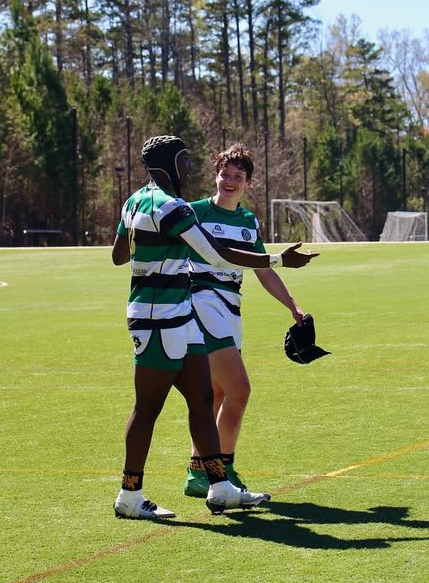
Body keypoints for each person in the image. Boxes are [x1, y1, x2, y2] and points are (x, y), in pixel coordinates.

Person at [111, 135, 317, 520]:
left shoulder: (135, 201)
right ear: (170, 164)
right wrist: (277, 259)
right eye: (186, 161)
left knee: (204, 397)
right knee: (149, 407)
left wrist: (155, 244)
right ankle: (129, 494)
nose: (191, 169)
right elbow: (215, 254)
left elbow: (118, 255)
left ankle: (218, 486)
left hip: (178, 312)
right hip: (161, 313)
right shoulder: (174, 207)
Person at [181, 143, 307, 501]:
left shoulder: (249, 221)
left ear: (248, 183)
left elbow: (262, 270)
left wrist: (293, 305)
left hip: (231, 307)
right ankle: (223, 470)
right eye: (225, 174)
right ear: (215, 176)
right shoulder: (194, 212)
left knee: (217, 392)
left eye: (238, 176)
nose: (230, 180)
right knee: (239, 390)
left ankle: (198, 473)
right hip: (201, 301)